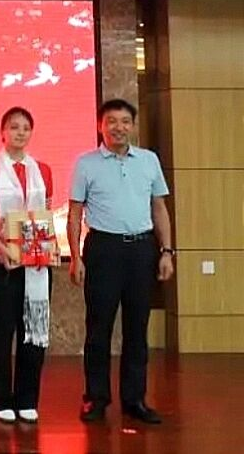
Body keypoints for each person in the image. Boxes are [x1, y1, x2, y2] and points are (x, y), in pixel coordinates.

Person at [69, 99, 174, 425]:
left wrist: (167, 251)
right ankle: (96, 398)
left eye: (125, 121)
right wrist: (75, 257)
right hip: (103, 250)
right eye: (111, 121)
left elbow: (159, 208)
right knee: (98, 329)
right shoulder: (86, 163)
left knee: (137, 328)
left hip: (142, 250)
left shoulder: (148, 160)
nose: (118, 127)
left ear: (133, 125)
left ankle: (135, 400)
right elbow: (74, 213)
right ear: (100, 126)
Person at [0, 107, 54, 424]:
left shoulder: (43, 170)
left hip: (36, 264)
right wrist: (2, 246)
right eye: (14, 127)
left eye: (25, 128)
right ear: (2, 132)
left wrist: (47, 248)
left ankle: (27, 398)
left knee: (33, 331)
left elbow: (45, 215)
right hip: (2, 260)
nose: (20, 133)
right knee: (0, 330)